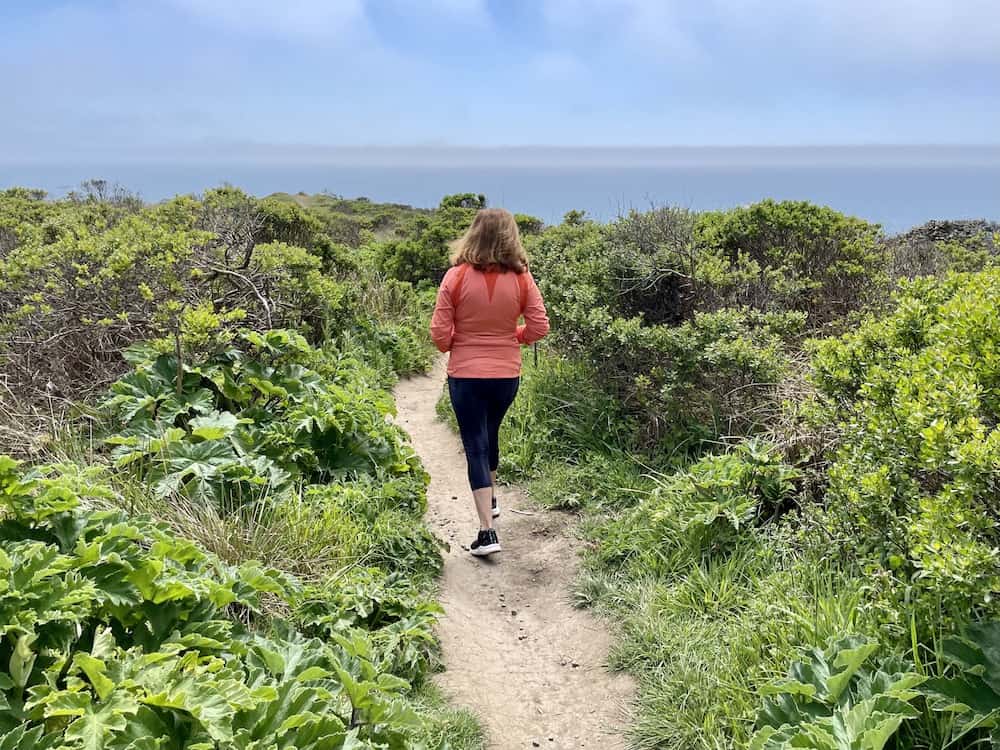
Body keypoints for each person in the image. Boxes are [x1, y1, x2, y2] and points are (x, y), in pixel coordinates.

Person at [430, 208, 549, 557]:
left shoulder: (455, 276)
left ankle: (487, 532)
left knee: (476, 445)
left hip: (466, 375)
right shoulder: (523, 278)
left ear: (474, 234)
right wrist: (510, 336)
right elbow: (540, 327)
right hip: (506, 375)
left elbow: (439, 336)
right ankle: (491, 495)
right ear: (511, 236)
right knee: (489, 433)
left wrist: (464, 342)